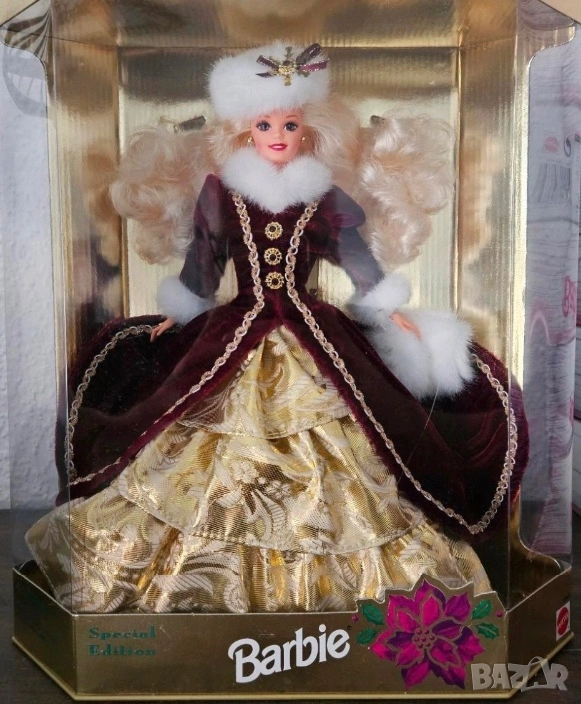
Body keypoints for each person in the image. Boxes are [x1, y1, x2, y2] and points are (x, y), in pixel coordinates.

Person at [26, 42, 527, 613]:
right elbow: (203, 264)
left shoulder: (323, 198)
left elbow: (357, 259)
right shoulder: (223, 193)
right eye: (265, 125)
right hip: (235, 330)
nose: (278, 135)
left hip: (311, 331)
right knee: (196, 438)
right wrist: (180, 310)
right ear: (244, 130)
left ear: (308, 128)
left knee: (353, 436)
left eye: (289, 124)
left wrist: (388, 307)